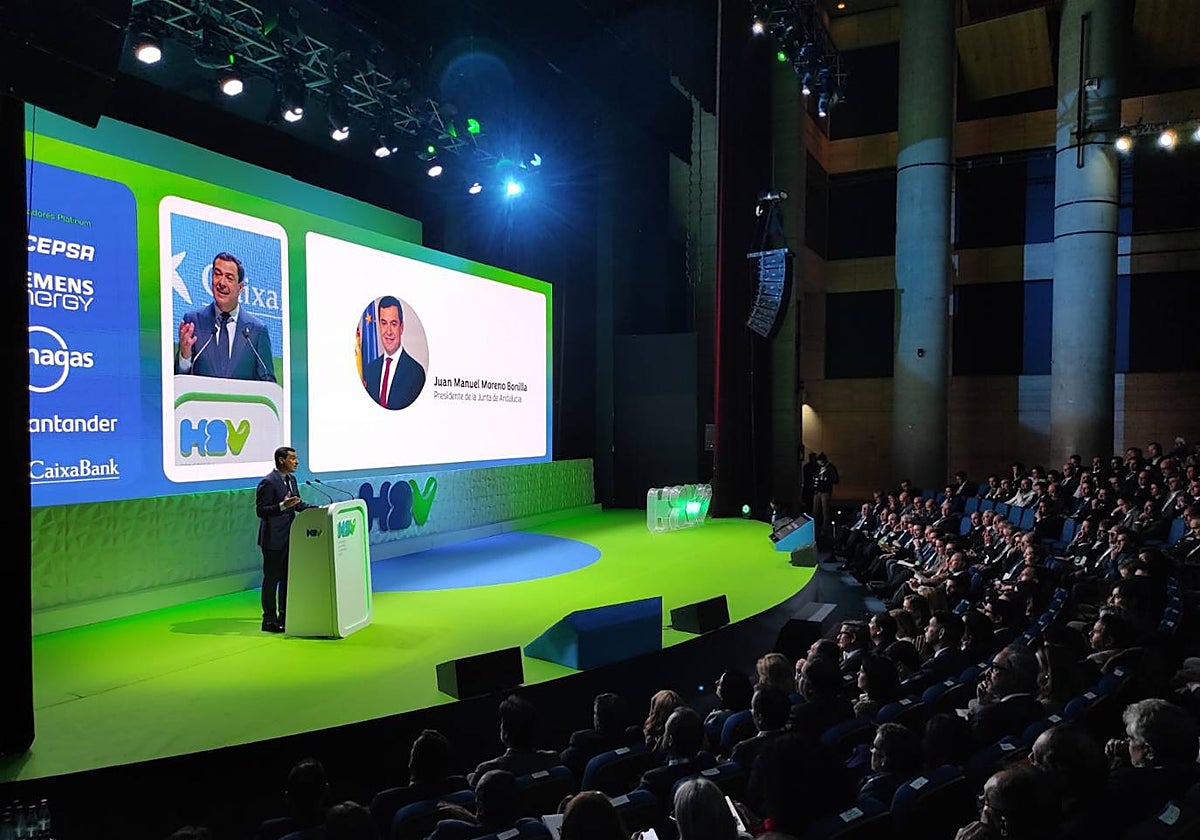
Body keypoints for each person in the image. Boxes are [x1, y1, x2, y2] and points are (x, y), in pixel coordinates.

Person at [176, 252, 276, 381]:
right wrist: (184, 357)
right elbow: (179, 382)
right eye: (217, 274)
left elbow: (268, 384)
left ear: (240, 288)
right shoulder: (194, 322)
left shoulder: (257, 331)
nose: (222, 282)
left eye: (229, 278)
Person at [255, 446, 316, 632]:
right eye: (292, 458)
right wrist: (282, 506)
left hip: (290, 537)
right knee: (271, 579)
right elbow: (261, 511)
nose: (296, 462)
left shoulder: (292, 480)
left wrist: (316, 509)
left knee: (287, 579)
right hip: (273, 539)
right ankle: (269, 620)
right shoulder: (268, 482)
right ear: (281, 460)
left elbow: (296, 504)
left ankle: (286, 615)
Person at [362, 295, 426, 410]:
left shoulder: (416, 373)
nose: (388, 332)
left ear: (401, 327)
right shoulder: (370, 369)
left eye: (393, 324)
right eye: (384, 323)